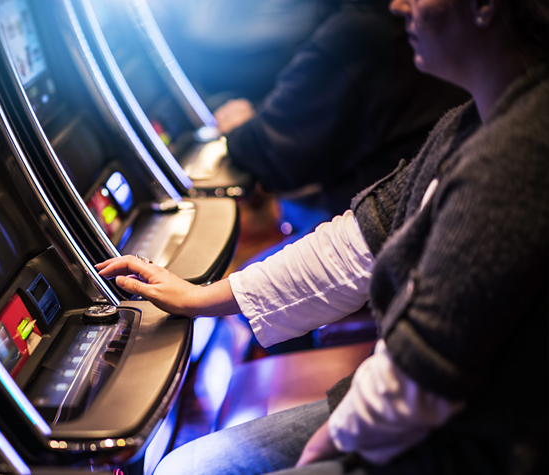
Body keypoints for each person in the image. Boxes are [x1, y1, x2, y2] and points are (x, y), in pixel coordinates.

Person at [97, 0, 549, 473]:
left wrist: (321, 451)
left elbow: (426, 374)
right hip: (428, 408)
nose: (398, 6)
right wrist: (199, 297)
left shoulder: (518, 154)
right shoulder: (473, 121)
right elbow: (359, 242)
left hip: (477, 441)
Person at [214, 0, 469, 244]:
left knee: (243, 266)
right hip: (379, 224)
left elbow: (272, 156)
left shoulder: (366, 30)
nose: (399, 6)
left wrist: (240, 129)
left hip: (369, 230)